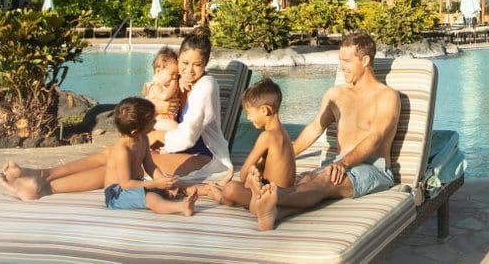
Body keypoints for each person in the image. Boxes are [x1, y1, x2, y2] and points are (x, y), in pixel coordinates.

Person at [0, 27, 232, 200]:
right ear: (178, 58)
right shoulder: (179, 80)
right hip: (178, 150)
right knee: (113, 151)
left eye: (197, 65)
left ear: (206, 64)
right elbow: (153, 99)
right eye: (184, 63)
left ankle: (43, 188)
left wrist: (156, 137)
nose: (189, 70)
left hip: (203, 157)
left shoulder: (206, 86)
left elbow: (188, 138)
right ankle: (42, 175)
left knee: (125, 165)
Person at [247, 31, 401, 231]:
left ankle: (269, 196)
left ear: (364, 60)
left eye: (346, 61)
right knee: (308, 179)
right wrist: (282, 156)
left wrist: (343, 163)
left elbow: (375, 138)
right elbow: (314, 128)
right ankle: (273, 211)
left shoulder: (387, 96)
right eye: (340, 60)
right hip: (338, 163)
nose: (341, 66)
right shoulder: (336, 94)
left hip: (374, 167)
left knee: (325, 179)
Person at [204, 78, 295, 208]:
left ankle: (221, 198)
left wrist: (250, 176)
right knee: (244, 181)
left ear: (264, 110)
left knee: (231, 188)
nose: (248, 118)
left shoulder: (267, 136)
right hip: (286, 193)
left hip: (272, 196)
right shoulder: (282, 132)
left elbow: (243, 174)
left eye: (249, 113)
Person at [102, 96, 197, 216]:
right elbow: (125, 184)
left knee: (170, 183)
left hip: (137, 184)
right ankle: (181, 207)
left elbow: (150, 166)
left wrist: (163, 181)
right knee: (151, 198)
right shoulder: (122, 150)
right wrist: (155, 184)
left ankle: (200, 190)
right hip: (117, 193)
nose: (156, 122)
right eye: (152, 121)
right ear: (135, 132)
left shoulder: (143, 138)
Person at [143, 47, 181, 131]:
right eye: (172, 74)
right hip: (156, 121)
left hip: (166, 120)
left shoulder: (167, 86)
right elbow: (164, 96)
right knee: (175, 127)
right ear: (158, 71)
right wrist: (173, 85)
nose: (175, 78)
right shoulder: (155, 87)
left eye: (177, 74)